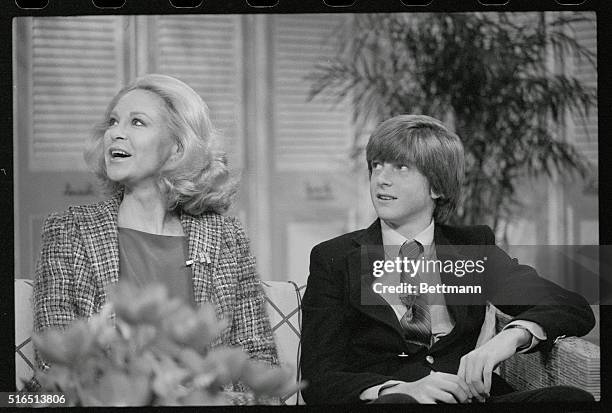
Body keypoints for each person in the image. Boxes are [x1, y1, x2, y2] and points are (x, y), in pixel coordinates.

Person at [300, 114, 595, 404]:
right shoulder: (334, 258)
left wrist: (510, 337)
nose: (381, 179)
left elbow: (569, 306)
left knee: (571, 399)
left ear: (437, 187)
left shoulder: (471, 247)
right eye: (376, 166)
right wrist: (398, 390)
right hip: (396, 403)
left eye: (400, 167)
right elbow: (319, 378)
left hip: (468, 398)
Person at [33, 74, 278, 387]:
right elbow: (57, 362)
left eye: (137, 122)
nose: (115, 134)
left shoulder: (226, 236)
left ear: (176, 149)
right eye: (112, 122)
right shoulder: (68, 231)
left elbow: (258, 356)